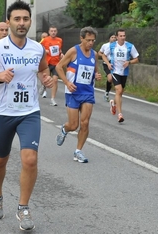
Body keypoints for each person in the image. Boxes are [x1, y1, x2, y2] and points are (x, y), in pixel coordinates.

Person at [0, 1, 53, 231]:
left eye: (25, 19)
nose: (21, 23)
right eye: (17, 19)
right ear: (8, 23)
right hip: (3, 112)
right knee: (0, 159)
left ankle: (23, 207)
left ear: (30, 21)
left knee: (30, 159)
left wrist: (46, 79)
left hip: (29, 112)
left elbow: (43, 69)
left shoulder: (38, 48)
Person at [55, 26, 102, 163]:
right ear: (81, 38)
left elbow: (95, 71)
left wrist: (97, 76)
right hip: (73, 92)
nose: (91, 43)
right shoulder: (74, 51)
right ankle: (65, 129)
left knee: (85, 123)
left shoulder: (94, 54)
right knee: (73, 125)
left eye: (93, 40)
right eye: (88, 40)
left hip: (87, 92)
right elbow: (59, 67)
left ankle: (78, 151)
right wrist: (66, 82)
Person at [105, 29, 139, 123]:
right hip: (115, 71)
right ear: (116, 37)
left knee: (120, 93)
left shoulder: (130, 46)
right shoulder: (112, 46)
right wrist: (108, 63)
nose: (123, 37)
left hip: (124, 72)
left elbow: (136, 59)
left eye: (124, 35)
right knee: (119, 90)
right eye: (121, 36)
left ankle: (113, 103)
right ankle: (120, 114)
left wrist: (129, 62)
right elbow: (103, 55)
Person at [40, 26, 63, 106]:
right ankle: (44, 86)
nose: (53, 32)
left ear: (56, 32)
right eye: (52, 31)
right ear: (49, 32)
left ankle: (52, 99)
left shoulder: (59, 40)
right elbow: (39, 48)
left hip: (56, 63)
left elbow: (59, 50)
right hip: (47, 63)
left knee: (55, 80)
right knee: (46, 79)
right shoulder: (45, 40)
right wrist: (44, 51)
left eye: (55, 31)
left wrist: (61, 54)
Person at [98, 33, 116, 102]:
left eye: (115, 37)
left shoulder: (118, 46)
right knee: (110, 78)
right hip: (106, 64)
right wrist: (104, 56)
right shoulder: (105, 45)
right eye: (112, 37)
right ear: (109, 38)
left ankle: (117, 94)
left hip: (115, 64)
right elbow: (99, 53)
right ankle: (107, 93)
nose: (113, 38)